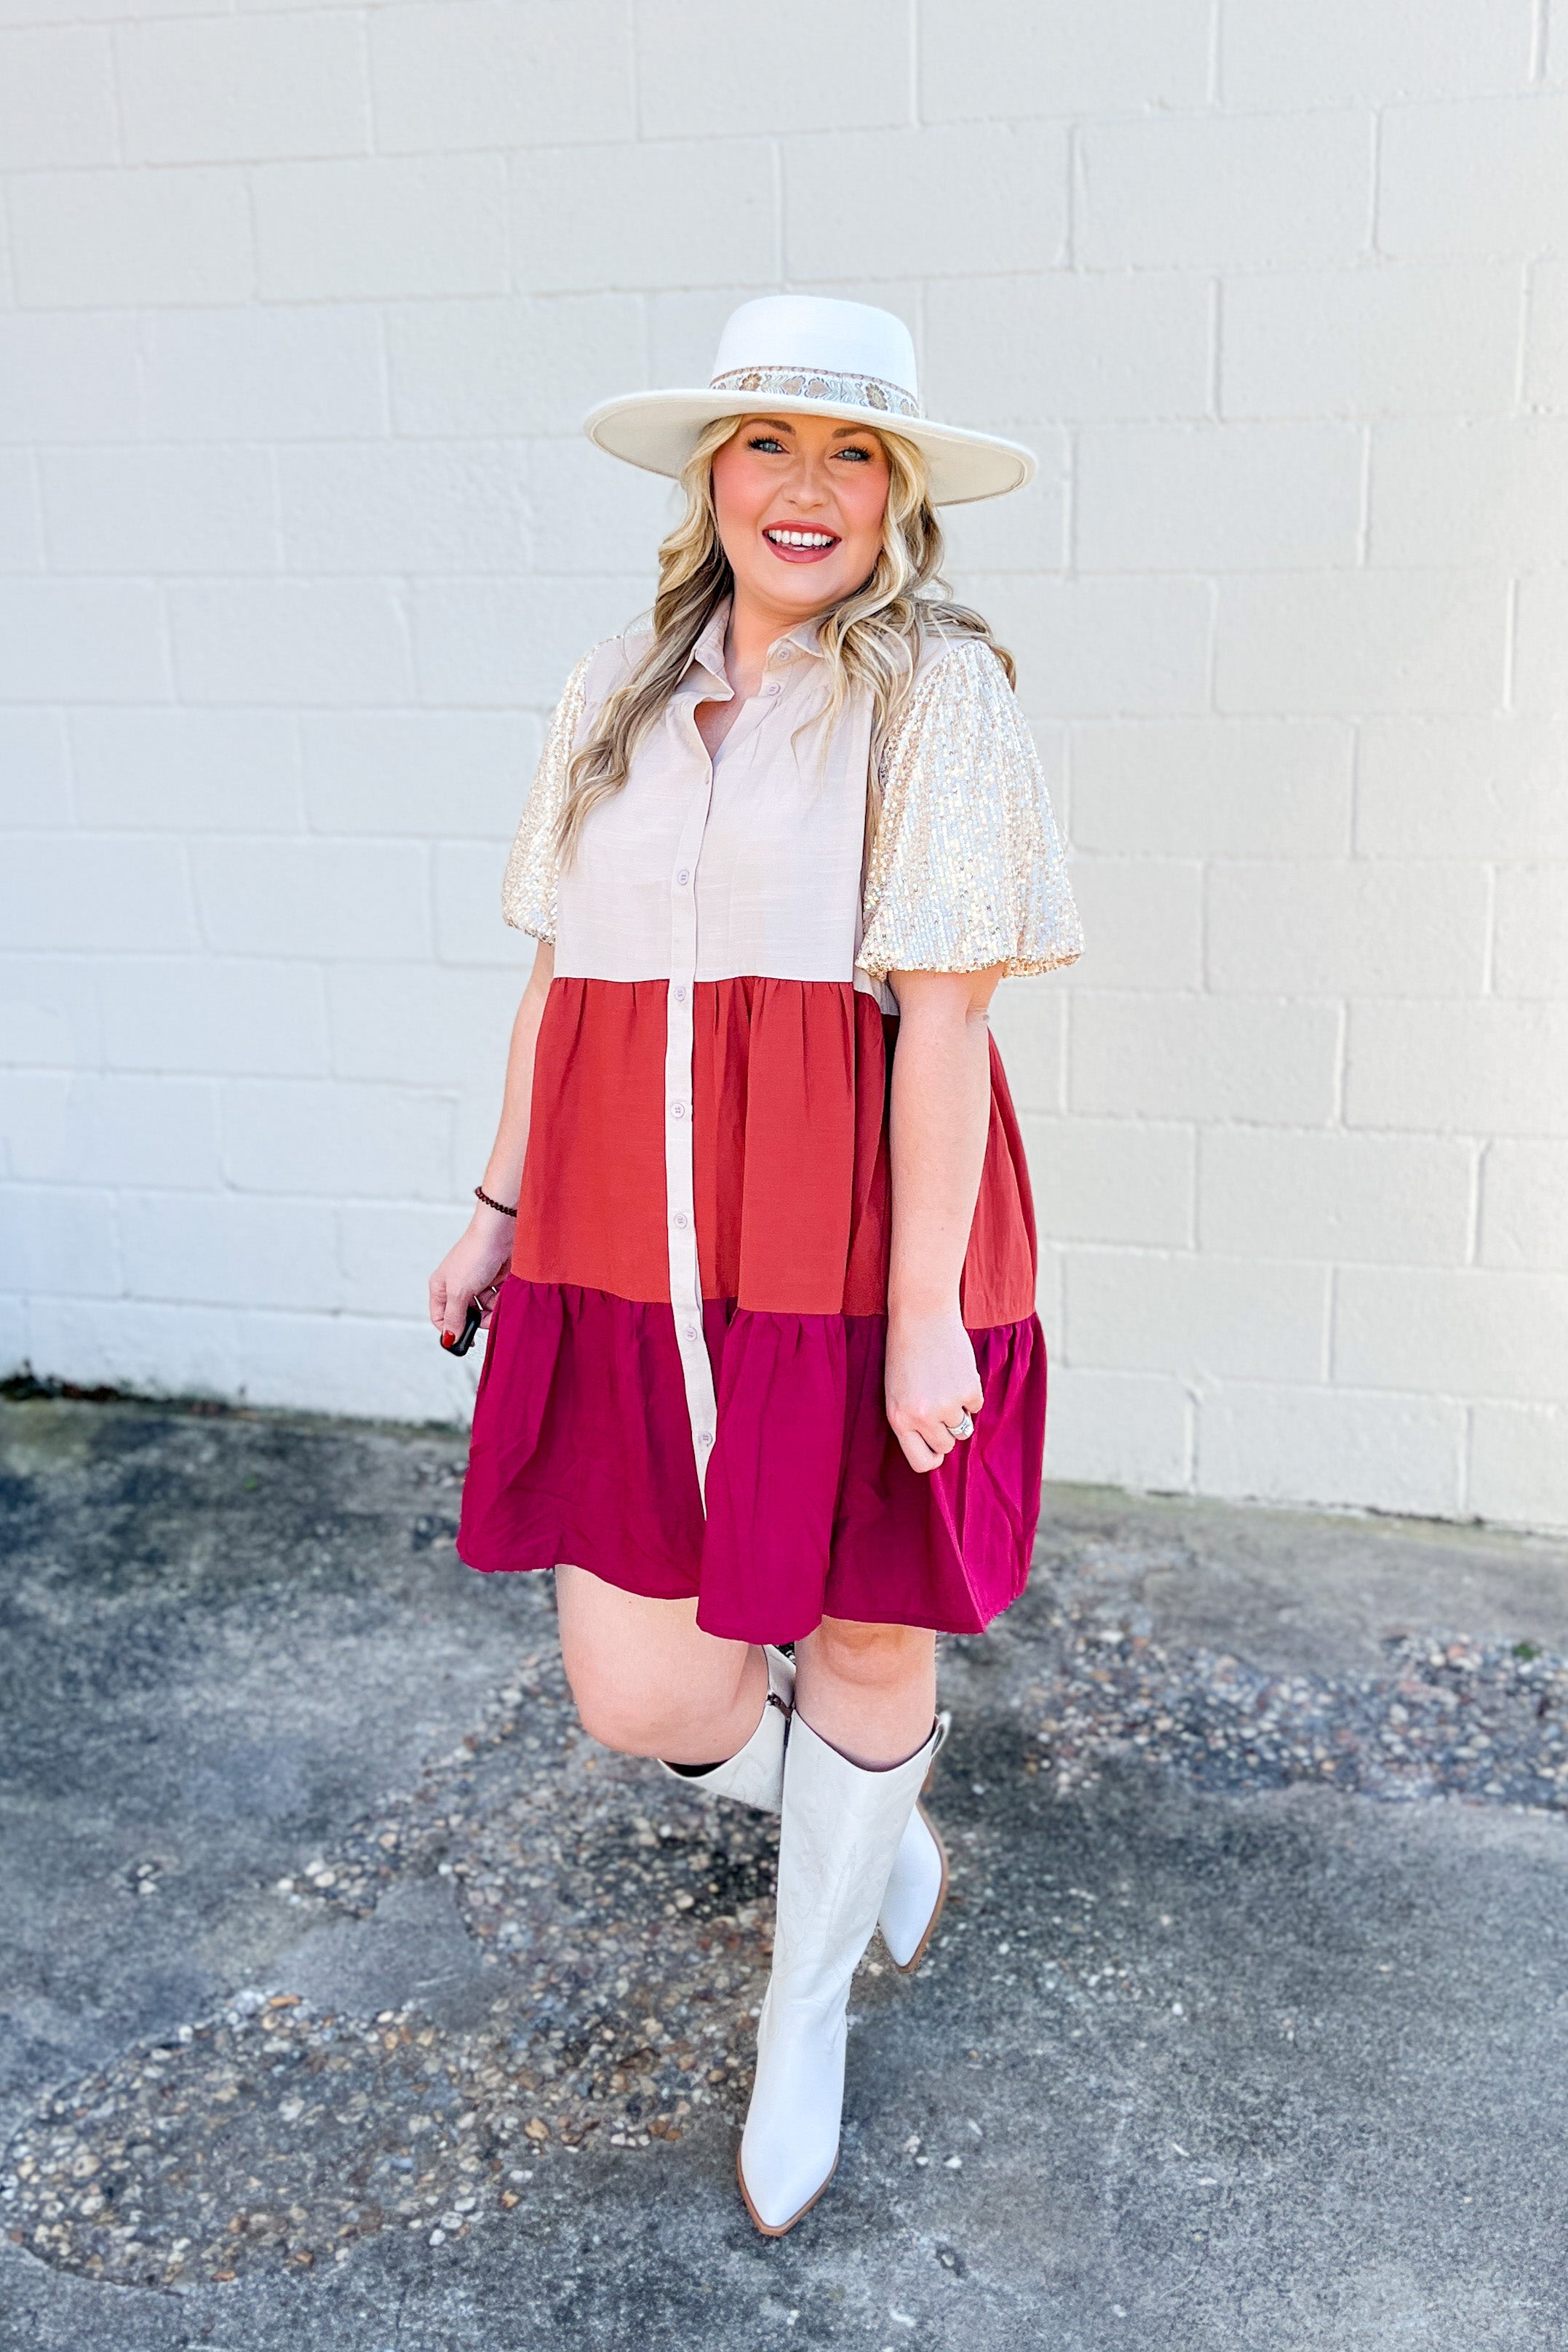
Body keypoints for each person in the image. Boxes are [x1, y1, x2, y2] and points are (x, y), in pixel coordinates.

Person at [429, 295, 1083, 2236]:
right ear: (710, 476)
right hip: (627, 1235)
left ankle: (804, 2019)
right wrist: (495, 1207)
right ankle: (854, 1818)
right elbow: (559, 980)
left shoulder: (936, 693)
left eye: (850, 454)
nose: (803, 487)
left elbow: (945, 1022)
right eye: (768, 444)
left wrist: (916, 1327)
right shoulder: (611, 691)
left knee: (870, 1625)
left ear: (895, 499)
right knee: (641, 1686)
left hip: (864, 1223)